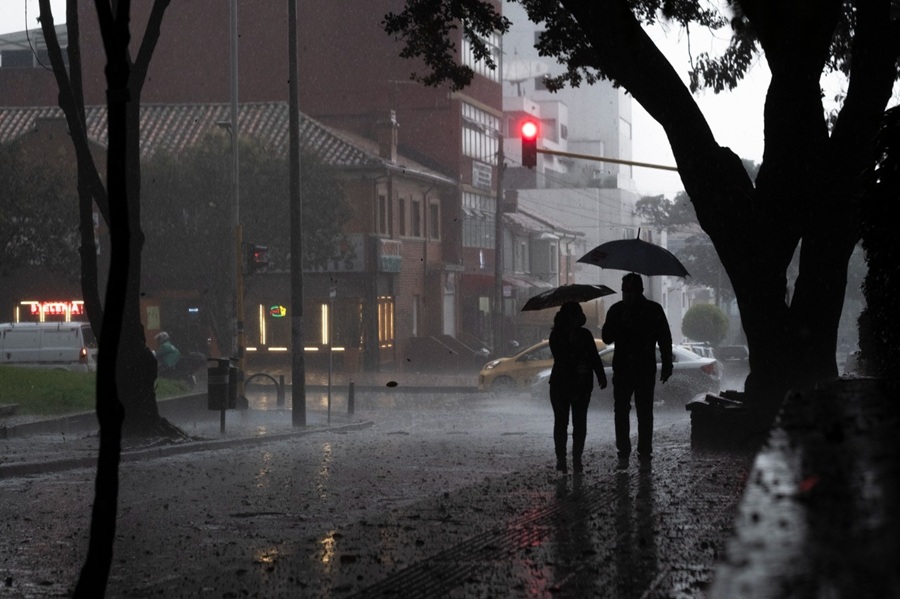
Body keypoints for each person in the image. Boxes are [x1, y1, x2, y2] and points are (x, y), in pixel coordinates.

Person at [601, 273, 673, 471]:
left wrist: (667, 363)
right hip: (624, 368)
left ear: (640, 290)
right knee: (622, 411)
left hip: (643, 368)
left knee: (644, 411)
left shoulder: (652, 310)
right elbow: (606, 337)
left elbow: (664, 339)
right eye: (624, 291)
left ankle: (644, 452)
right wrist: (619, 323)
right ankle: (624, 452)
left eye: (630, 291)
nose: (627, 295)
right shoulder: (617, 310)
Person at [548, 301, 607, 474]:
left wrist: (601, 375)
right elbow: (561, 357)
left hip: (581, 385)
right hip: (562, 384)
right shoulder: (557, 335)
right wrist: (571, 342)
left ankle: (577, 459)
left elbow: (594, 357)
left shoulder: (586, 334)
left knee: (579, 423)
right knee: (561, 422)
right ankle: (561, 459)